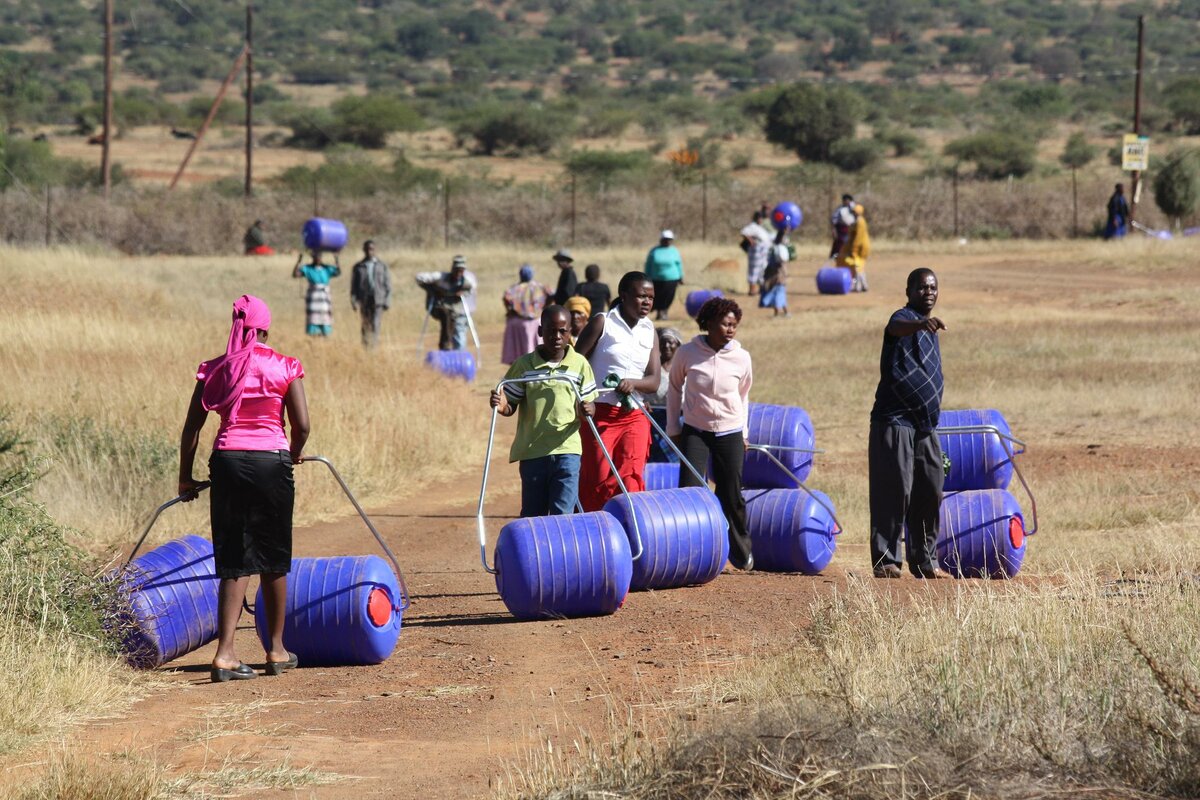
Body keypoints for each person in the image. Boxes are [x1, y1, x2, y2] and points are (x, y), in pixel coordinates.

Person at [178, 295, 310, 682]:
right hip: (272, 462)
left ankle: (225, 655)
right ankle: (276, 650)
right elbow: (301, 425)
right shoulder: (285, 365)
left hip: (228, 464)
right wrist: (295, 453)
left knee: (234, 558)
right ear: (266, 327)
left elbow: (193, 427)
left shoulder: (216, 369)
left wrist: (185, 478)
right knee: (273, 556)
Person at [868, 268, 948, 580]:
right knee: (894, 489)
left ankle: (925, 561)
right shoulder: (903, 319)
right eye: (921, 288)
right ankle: (886, 560)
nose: (928, 292)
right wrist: (919, 323)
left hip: (926, 425)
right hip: (895, 420)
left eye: (933, 287)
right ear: (909, 291)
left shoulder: (930, 331)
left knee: (930, 489)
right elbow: (896, 326)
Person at [667, 297, 754, 570]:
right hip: (696, 431)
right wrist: (674, 427)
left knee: (732, 493)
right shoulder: (687, 353)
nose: (730, 329)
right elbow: (673, 389)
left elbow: (744, 395)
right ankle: (690, 553)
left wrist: (743, 431)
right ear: (708, 323)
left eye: (734, 325)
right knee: (689, 490)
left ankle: (741, 552)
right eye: (725, 324)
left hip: (730, 431)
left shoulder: (742, 357)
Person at [490, 305, 598, 517]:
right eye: (550, 330)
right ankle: (535, 550)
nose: (556, 336)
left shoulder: (579, 365)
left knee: (563, 514)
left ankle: (563, 551)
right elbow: (510, 403)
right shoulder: (524, 366)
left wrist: (588, 409)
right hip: (533, 452)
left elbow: (589, 405)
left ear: (569, 333)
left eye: (562, 331)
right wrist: (502, 405)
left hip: (567, 450)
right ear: (540, 332)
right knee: (533, 514)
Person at [573, 271, 661, 511]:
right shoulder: (603, 322)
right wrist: (583, 401)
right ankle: (594, 535)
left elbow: (653, 381)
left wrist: (633, 383)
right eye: (641, 296)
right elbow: (574, 366)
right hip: (599, 413)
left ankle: (629, 534)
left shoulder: (649, 329)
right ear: (623, 295)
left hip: (634, 414)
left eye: (651, 298)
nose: (647, 302)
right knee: (597, 479)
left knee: (631, 478)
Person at [416, 255, 477, 351]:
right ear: (452, 269)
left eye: (461, 271)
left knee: (455, 325)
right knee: (445, 315)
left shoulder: (467, 282)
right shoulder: (440, 277)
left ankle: (453, 351)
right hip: (439, 306)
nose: (458, 273)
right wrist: (433, 291)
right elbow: (419, 278)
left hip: (456, 310)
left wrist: (463, 293)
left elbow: (471, 290)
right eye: (456, 270)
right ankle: (445, 345)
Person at [646, 326, 682, 464]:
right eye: (663, 342)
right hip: (653, 419)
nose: (667, 345)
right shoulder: (652, 369)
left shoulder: (683, 368)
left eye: (671, 342)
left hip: (677, 419)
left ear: (678, 344)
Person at [501, 264, 549, 365]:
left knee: (517, 351)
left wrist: (511, 310)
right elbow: (550, 295)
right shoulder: (539, 287)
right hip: (536, 321)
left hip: (518, 322)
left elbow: (506, 299)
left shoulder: (514, 289)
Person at [349, 240, 392, 349]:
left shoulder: (382, 266)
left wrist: (387, 300)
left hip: (378, 299)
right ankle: (365, 347)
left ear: (375, 250)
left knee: (376, 323)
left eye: (372, 249)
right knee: (365, 324)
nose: (369, 251)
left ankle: (374, 347)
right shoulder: (358, 267)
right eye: (367, 249)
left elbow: (388, 285)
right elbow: (354, 286)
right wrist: (353, 301)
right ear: (364, 250)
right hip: (364, 299)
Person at [293, 250, 341, 337]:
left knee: (325, 318)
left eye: (319, 256)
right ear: (312, 257)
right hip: (313, 297)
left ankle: (325, 335)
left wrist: (336, 259)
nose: (317, 258)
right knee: (313, 319)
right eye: (315, 256)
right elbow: (295, 274)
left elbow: (338, 272)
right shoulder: (308, 268)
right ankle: (313, 337)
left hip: (324, 298)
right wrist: (299, 261)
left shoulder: (327, 268)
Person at [644, 230, 683, 321]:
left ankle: (664, 312)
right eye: (665, 239)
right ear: (661, 239)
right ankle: (659, 312)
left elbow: (679, 264)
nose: (667, 241)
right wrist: (646, 277)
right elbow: (648, 264)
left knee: (668, 296)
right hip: (655, 278)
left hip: (672, 278)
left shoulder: (674, 251)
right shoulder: (654, 251)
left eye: (669, 239)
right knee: (657, 296)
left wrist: (681, 276)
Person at [838, 203, 871, 293]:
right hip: (860, 247)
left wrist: (854, 250)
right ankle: (863, 286)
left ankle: (859, 287)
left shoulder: (860, 222)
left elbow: (858, 238)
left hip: (861, 248)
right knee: (859, 266)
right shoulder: (858, 221)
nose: (853, 213)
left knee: (858, 266)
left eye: (854, 212)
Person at [759, 230, 790, 317]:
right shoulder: (779, 248)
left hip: (774, 274)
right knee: (779, 293)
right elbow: (782, 260)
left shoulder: (774, 248)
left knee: (778, 293)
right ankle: (781, 313)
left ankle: (782, 312)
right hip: (777, 274)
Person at [741, 212, 773, 296]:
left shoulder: (760, 227)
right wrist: (751, 241)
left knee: (762, 270)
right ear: (756, 219)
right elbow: (744, 232)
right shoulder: (752, 226)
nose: (761, 220)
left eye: (761, 218)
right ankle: (752, 290)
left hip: (763, 252)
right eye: (759, 218)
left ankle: (761, 290)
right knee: (754, 270)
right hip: (756, 251)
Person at [830, 194, 856, 259]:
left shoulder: (853, 209)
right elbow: (833, 220)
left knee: (851, 243)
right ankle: (837, 257)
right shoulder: (839, 209)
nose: (847, 202)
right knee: (839, 244)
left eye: (849, 201)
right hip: (841, 229)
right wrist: (833, 230)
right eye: (845, 200)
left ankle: (849, 256)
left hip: (850, 229)